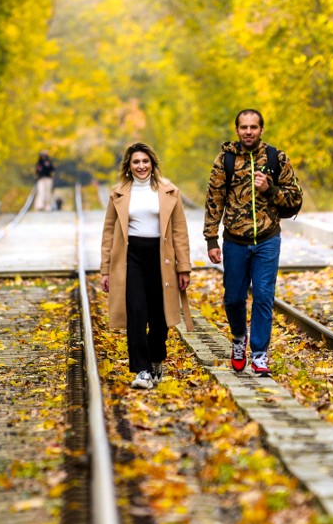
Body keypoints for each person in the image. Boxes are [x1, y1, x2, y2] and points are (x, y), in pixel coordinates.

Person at [203, 109, 303, 376]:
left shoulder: (276, 158)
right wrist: (211, 238)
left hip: (268, 239)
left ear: (261, 130)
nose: (248, 131)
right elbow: (214, 200)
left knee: (262, 296)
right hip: (235, 241)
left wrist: (269, 189)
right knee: (234, 298)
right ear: (237, 130)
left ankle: (259, 353)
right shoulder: (224, 160)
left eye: (254, 127)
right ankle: (239, 338)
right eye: (244, 127)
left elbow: (295, 199)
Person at [101, 143, 192, 390]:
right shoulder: (118, 193)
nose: (141, 166)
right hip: (131, 259)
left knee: (160, 317)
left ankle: (155, 358)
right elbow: (109, 233)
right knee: (137, 313)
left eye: (145, 161)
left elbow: (180, 231)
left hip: (161, 258)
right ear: (129, 167)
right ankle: (141, 370)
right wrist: (105, 270)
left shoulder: (169, 191)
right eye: (136, 162)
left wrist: (183, 266)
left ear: (152, 163)